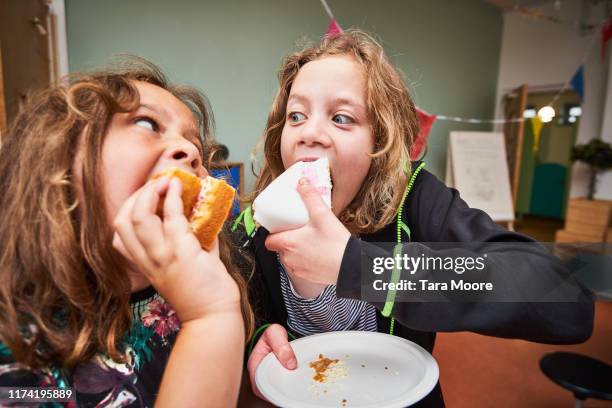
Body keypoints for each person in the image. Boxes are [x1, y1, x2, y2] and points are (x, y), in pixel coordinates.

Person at [233, 30, 594, 407]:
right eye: (296, 115)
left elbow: (568, 302)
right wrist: (254, 336)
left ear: (379, 142)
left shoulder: (416, 198)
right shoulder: (254, 223)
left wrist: (360, 267)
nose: (310, 133)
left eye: (341, 118)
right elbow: (237, 315)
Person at [0, 58, 253, 407]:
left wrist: (248, 350)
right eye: (148, 123)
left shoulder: (194, 286)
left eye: (197, 145)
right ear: (56, 159)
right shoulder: (14, 354)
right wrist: (211, 319)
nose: (193, 152)